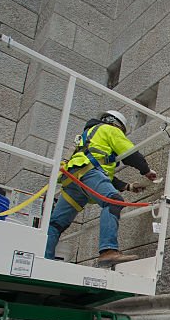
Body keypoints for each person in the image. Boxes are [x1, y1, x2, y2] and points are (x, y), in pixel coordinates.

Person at [46, 110, 158, 267]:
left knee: (56, 224)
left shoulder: (87, 136)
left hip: (73, 179)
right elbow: (129, 153)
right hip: (87, 173)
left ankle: (45, 256)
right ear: (118, 125)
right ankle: (108, 251)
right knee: (114, 202)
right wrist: (146, 171)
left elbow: (103, 172)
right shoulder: (109, 129)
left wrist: (128, 186)